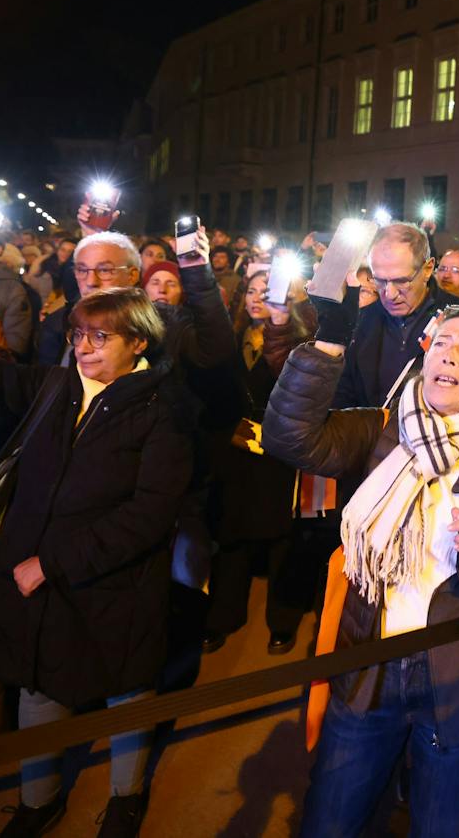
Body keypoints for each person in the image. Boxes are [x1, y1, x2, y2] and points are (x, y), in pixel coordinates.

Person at [0, 263, 193, 838]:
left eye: (100, 336)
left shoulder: (162, 408)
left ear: (137, 342)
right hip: (30, 573)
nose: (84, 347)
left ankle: (125, 795)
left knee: (126, 690)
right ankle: (37, 800)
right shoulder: (51, 386)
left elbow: (149, 513)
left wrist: (55, 563)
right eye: (77, 334)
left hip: (112, 583)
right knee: (38, 682)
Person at [263, 300, 459, 838]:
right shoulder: (383, 428)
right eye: (441, 343)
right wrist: (328, 341)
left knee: (440, 826)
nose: (449, 355)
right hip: (369, 668)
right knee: (329, 820)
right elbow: (289, 437)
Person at [202, 265, 314, 655]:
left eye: (267, 290)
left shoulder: (297, 343)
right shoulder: (227, 340)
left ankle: (281, 622)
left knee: (282, 538)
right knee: (231, 537)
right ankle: (222, 616)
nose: (256, 298)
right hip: (233, 452)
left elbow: (303, 392)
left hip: (278, 452)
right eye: (251, 290)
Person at [334, 222, 451, 409]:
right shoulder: (359, 320)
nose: (389, 294)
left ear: (428, 269)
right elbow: (342, 394)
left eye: (402, 281)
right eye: (379, 280)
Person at [34, 231, 142, 365]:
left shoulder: (159, 330)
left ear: (132, 276)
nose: (91, 282)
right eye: (82, 270)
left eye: (104, 270)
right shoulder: (56, 325)